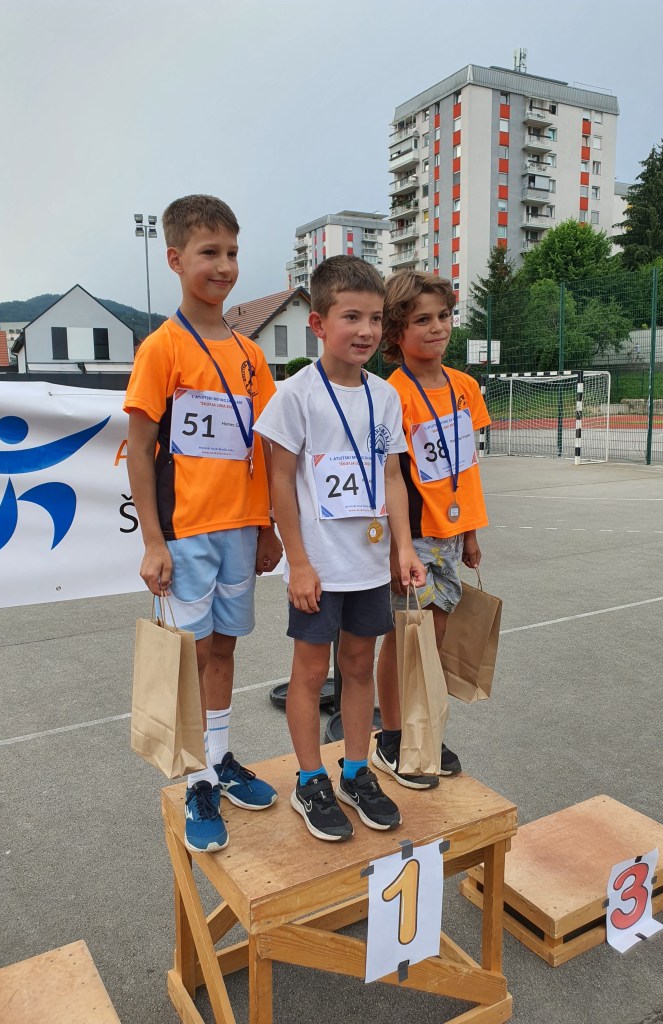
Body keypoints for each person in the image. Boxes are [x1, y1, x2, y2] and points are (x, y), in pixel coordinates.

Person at [124, 195, 283, 854]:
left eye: (232, 253)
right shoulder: (161, 349)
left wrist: (269, 525)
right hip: (186, 532)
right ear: (175, 259)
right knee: (191, 655)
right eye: (209, 252)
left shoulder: (250, 354)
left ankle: (219, 758)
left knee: (224, 649)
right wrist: (153, 540)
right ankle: (195, 779)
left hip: (241, 529)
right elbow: (139, 450)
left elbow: (266, 446)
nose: (224, 266)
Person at [255, 256, 426, 842]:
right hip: (320, 567)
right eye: (351, 317)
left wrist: (403, 547)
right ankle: (310, 780)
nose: (366, 330)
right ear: (319, 324)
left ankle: (356, 771)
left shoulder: (385, 396)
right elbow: (280, 483)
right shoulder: (295, 396)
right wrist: (298, 562)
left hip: (368, 564)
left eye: (375, 319)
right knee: (309, 674)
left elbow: (393, 477)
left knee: (357, 667)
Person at [374, 270, 491, 788]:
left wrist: (471, 533)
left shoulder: (465, 387)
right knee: (405, 638)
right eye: (422, 320)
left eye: (443, 316)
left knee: (436, 636)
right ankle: (392, 735)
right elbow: (389, 477)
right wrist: (399, 546)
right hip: (412, 537)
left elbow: (468, 467)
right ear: (396, 331)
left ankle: (424, 727)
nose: (437, 327)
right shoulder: (391, 395)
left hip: (450, 534)